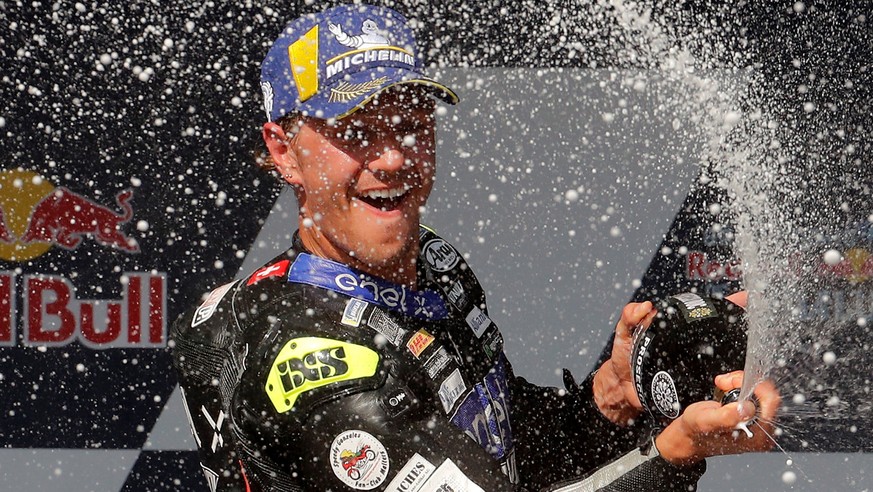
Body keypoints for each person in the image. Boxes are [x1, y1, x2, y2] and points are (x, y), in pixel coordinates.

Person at [170, 4, 779, 491]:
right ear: (283, 151)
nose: (391, 158)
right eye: (356, 131)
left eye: (409, 122)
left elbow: (509, 452)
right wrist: (674, 454)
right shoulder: (305, 359)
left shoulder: (431, 262)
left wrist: (611, 397)